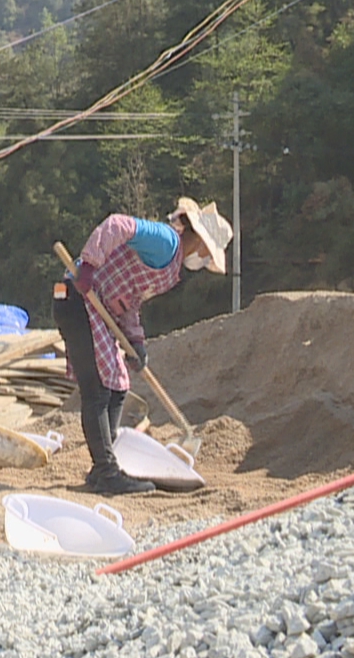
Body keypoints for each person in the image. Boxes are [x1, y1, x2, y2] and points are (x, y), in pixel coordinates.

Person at [54, 198, 233, 496]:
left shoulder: (170, 265)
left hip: (96, 310)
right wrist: (89, 264)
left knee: (118, 386)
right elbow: (117, 224)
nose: (204, 259)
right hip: (78, 300)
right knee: (98, 389)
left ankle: (102, 469)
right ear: (202, 242)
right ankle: (107, 471)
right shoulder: (165, 242)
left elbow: (130, 299)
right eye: (208, 252)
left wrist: (136, 339)